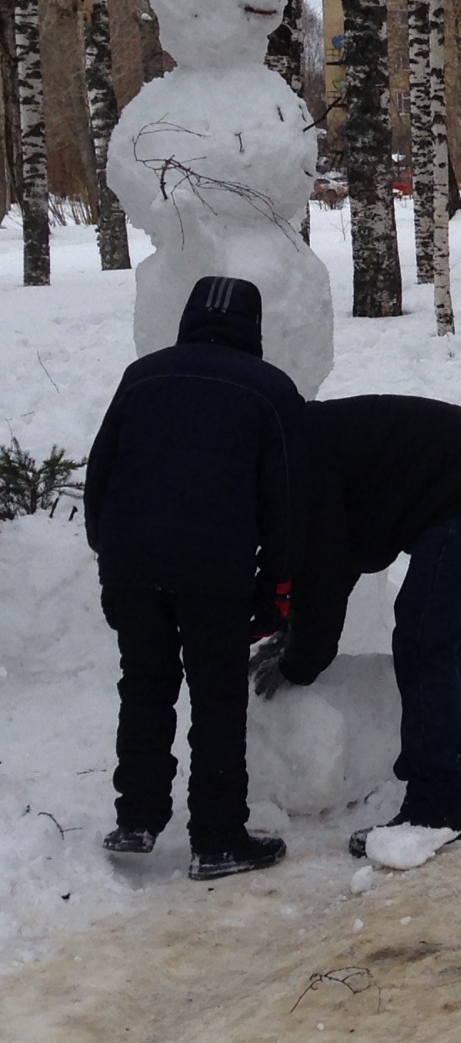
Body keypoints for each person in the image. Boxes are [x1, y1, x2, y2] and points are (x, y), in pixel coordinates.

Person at [84, 276, 305, 880]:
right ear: (253, 328)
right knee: (217, 696)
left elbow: (99, 475)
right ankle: (217, 838)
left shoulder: (143, 376)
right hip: (215, 568)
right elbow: (286, 501)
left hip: (132, 562)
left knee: (146, 683)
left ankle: (138, 818)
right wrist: (275, 589)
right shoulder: (270, 389)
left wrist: (110, 554)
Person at [252, 397, 461, 854]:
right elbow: (329, 566)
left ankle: (436, 806)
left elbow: (324, 574)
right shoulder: (293, 446)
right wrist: (295, 636)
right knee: (431, 625)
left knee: (425, 634)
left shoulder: (298, 465)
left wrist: (298, 662)